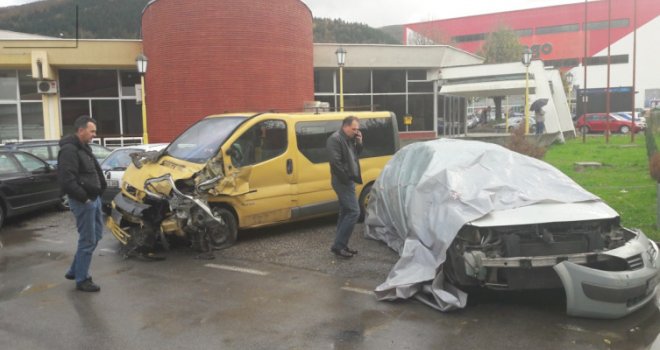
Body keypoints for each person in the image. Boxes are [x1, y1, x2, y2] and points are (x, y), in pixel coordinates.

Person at [58, 115, 107, 292]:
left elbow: (93, 171)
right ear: (81, 130)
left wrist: (100, 190)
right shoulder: (69, 150)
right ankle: (82, 279)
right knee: (87, 240)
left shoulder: (84, 148)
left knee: (97, 235)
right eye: (92, 131)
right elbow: (67, 180)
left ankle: (74, 270)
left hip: (94, 199)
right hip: (83, 201)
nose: (94, 134)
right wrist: (84, 198)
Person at [326, 116, 363, 258]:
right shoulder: (335, 139)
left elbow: (356, 154)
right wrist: (346, 179)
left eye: (357, 129)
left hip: (348, 180)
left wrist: (359, 141)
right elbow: (335, 163)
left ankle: (341, 244)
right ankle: (339, 245)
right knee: (354, 212)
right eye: (354, 129)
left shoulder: (349, 139)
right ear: (345, 126)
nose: (356, 131)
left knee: (345, 212)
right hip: (342, 181)